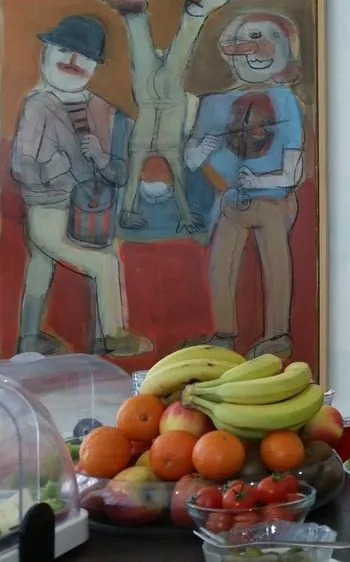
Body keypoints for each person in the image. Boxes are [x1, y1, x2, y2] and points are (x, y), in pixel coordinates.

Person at [11, 15, 150, 356]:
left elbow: (120, 173)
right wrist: (63, 168)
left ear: (94, 67)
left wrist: (101, 159)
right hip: (47, 208)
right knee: (103, 263)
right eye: (63, 50)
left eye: (85, 56)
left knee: (42, 266)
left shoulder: (104, 110)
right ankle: (113, 336)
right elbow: (22, 166)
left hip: (91, 212)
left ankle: (30, 338)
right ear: (45, 53)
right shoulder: (37, 105)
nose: (73, 60)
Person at [184, 11, 305, 359]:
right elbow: (191, 160)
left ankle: (277, 335)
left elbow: (293, 171)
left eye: (271, 38)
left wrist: (264, 180)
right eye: (250, 37)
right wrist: (202, 148)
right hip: (232, 199)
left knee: (274, 257)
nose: (259, 47)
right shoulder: (213, 103)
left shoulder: (285, 101)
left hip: (274, 198)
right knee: (220, 264)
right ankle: (224, 333)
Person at [108, 0, 230, 233]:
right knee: (170, 60)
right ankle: (193, 14)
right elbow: (179, 185)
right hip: (168, 94)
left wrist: (127, 213)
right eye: (161, 179)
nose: (155, 174)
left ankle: (139, 15)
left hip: (148, 96)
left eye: (149, 179)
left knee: (148, 59)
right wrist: (185, 216)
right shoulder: (171, 153)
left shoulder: (139, 150)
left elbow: (132, 185)